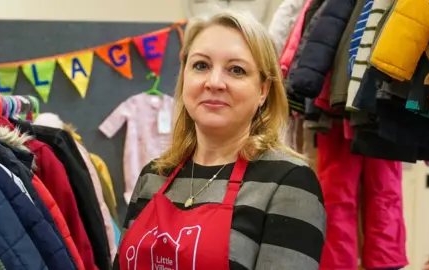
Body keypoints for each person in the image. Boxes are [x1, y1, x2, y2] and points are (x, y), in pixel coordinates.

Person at [113, 9, 325, 270]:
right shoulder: (153, 176)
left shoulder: (289, 182)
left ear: (263, 90)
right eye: (201, 66)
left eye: (236, 70)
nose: (214, 82)